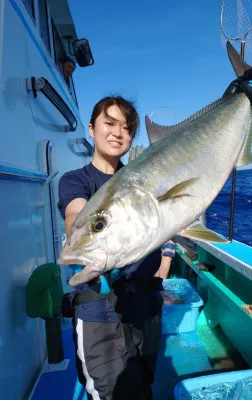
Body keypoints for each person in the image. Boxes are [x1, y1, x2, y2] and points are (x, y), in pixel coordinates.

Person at [57, 95, 175, 400]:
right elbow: (76, 217)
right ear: (92, 127)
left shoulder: (142, 180)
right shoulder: (75, 180)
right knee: (113, 392)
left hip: (146, 300)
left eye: (127, 128)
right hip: (99, 304)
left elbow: (166, 226)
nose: (117, 132)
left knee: (143, 382)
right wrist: (91, 237)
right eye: (109, 123)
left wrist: (161, 273)